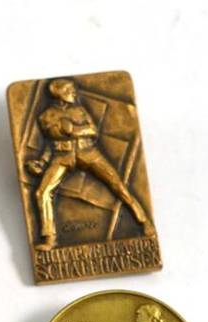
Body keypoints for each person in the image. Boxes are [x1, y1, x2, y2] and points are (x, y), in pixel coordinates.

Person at [27, 78, 154, 248]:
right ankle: (49, 239)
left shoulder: (79, 110)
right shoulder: (45, 116)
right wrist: (42, 162)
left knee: (117, 184)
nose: (73, 93)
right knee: (42, 192)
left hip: (88, 152)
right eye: (69, 90)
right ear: (59, 94)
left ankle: (144, 221)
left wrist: (74, 130)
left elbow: (92, 130)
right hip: (62, 156)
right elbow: (49, 143)